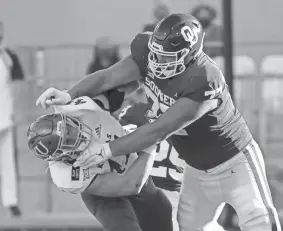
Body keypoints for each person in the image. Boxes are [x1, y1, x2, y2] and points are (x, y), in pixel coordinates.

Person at [36, 13, 281, 231]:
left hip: (235, 161)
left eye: (167, 57)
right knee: (190, 227)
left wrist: (105, 150)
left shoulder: (204, 78)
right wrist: (69, 94)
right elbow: (107, 78)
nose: (157, 62)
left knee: (259, 221)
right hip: (196, 168)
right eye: (155, 54)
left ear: (190, 56)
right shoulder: (146, 51)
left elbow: (159, 130)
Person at [28, 95, 173, 231]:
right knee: (122, 227)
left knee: (161, 211)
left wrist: (70, 93)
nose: (75, 134)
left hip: (128, 161)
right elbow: (131, 185)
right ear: (60, 156)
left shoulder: (82, 108)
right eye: (68, 140)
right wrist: (150, 144)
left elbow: (116, 83)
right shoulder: (65, 175)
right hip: (103, 189)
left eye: (69, 127)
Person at [0, 20, 24, 217]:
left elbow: (18, 83)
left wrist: (15, 109)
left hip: (4, 115)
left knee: (7, 162)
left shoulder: (9, 56)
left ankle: (11, 201)